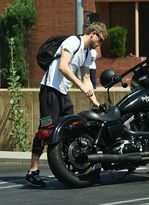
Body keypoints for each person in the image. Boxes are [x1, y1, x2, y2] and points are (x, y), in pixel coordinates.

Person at [25, 22, 108, 187]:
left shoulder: (86, 53)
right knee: (45, 130)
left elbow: (86, 80)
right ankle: (32, 171)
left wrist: (96, 103)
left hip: (63, 95)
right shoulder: (72, 42)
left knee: (74, 127)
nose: (100, 43)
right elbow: (63, 67)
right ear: (92, 33)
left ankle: (80, 170)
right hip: (50, 91)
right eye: (100, 38)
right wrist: (80, 84)